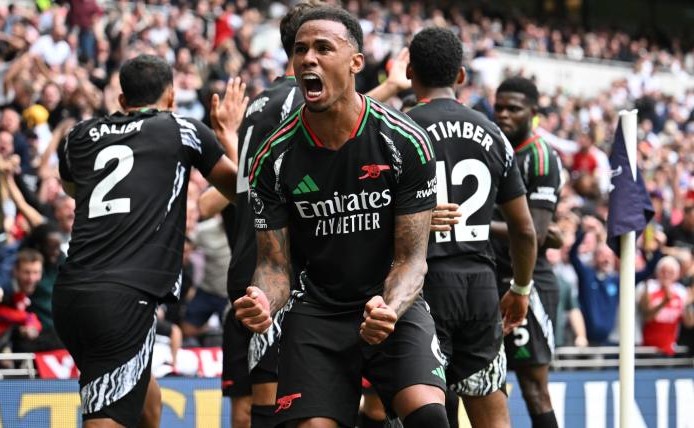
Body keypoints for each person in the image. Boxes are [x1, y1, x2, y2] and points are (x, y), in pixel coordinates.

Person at [195, 2, 414, 426]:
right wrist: (391, 88)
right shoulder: (300, 106)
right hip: (288, 275)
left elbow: (225, 198)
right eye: (310, 47)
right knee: (300, 403)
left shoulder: (256, 107)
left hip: (251, 263)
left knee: (254, 405)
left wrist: (230, 144)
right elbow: (347, 117)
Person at [234, 7, 449, 428]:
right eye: (300, 50)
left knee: (429, 416)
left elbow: (411, 261)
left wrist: (388, 308)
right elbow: (274, 266)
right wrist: (263, 299)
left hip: (389, 302)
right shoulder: (273, 158)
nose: (308, 58)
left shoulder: (405, 142)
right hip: (316, 312)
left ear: (355, 63)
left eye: (322, 48)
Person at [52, 54, 247, 428]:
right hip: (124, 297)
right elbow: (241, 191)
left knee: (146, 407)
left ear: (122, 101)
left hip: (72, 293)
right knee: (107, 414)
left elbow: (74, 189)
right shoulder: (180, 128)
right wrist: (228, 136)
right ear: (171, 98)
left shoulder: (79, 135)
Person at [406, 28, 537, 428]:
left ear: (410, 72)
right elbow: (525, 230)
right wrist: (520, 289)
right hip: (481, 287)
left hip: (420, 286)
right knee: (491, 416)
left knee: (420, 412)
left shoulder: (399, 127)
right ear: (460, 76)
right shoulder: (494, 132)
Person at [490, 76, 563, 428]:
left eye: (514, 109)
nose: (503, 114)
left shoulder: (541, 156)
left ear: (533, 113)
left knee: (533, 388)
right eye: (499, 107)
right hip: (485, 277)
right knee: (484, 383)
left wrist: (472, 224)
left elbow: (533, 232)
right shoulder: (490, 144)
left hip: (526, 282)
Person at [637, 256, 694, 355]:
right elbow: (646, 317)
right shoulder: (648, 286)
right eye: (663, 271)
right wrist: (664, 303)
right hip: (645, 347)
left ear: (677, 274)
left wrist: (688, 304)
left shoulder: (681, 291)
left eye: (670, 272)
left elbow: (689, 323)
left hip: (669, 347)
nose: (666, 275)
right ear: (657, 272)